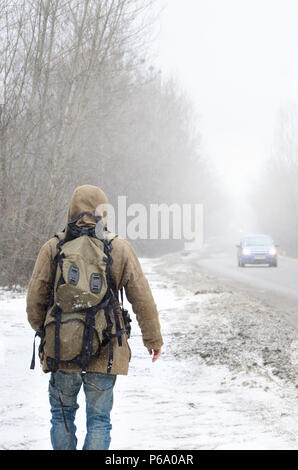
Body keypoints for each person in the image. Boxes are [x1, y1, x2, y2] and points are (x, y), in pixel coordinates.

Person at [26, 184, 163, 450]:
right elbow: (141, 298)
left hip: (61, 348)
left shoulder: (53, 246)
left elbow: (35, 301)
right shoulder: (119, 248)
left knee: (62, 415)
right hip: (106, 348)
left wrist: (47, 331)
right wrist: (153, 338)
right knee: (99, 420)